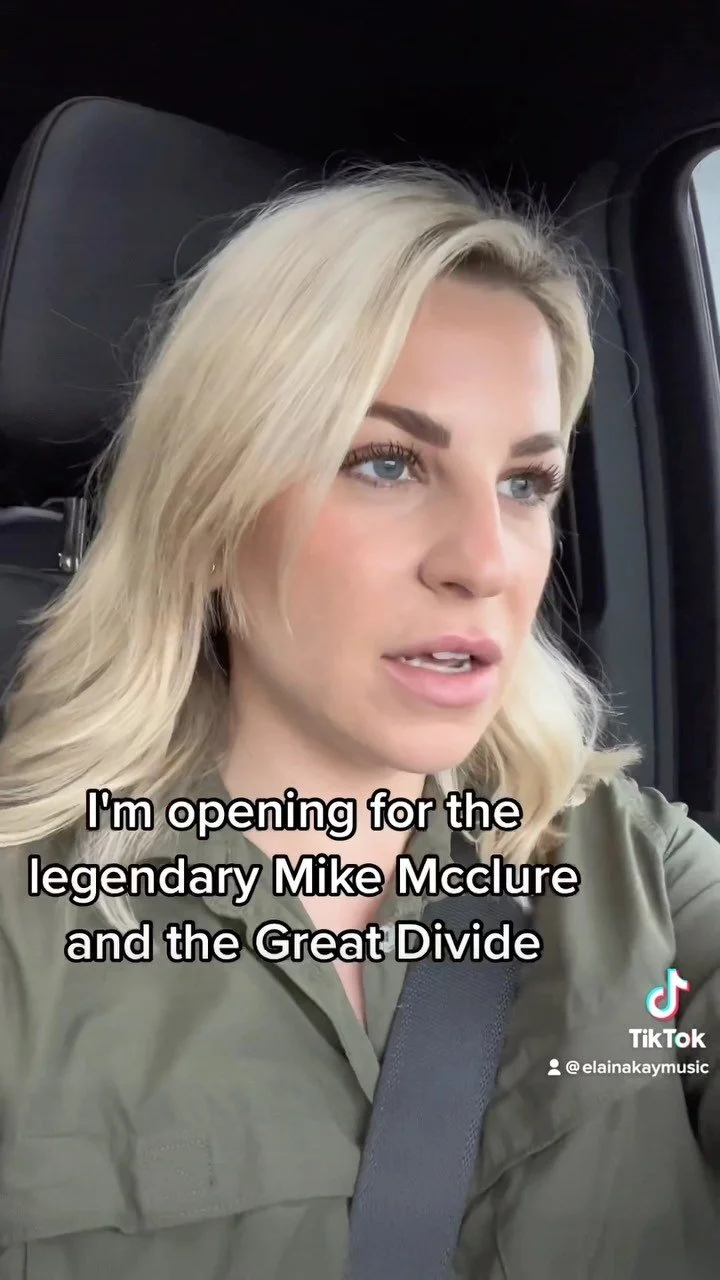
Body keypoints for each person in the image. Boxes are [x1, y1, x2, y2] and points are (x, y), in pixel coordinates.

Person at [0, 163, 718, 1280]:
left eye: (526, 484)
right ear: (210, 508)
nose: (486, 561)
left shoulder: (636, 867)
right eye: (386, 463)